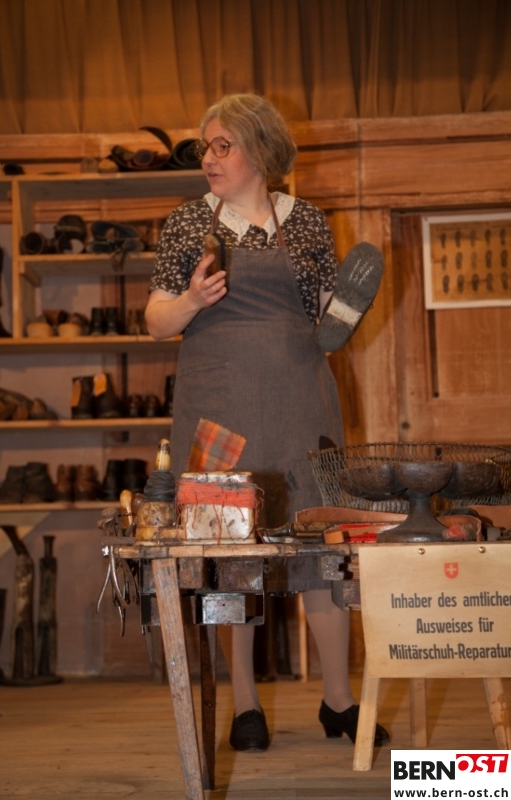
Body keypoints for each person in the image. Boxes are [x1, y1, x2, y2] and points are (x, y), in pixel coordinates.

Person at [145, 93, 388, 752]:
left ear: (258, 151)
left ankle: (338, 700)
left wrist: (347, 308)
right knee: (230, 555)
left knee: (322, 545)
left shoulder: (305, 222)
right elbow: (156, 320)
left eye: (222, 144)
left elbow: (328, 320)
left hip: (301, 399)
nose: (208, 157)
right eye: (205, 145)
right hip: (219, 406)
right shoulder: (187, 223)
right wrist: (190, 299)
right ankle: (245, 704)